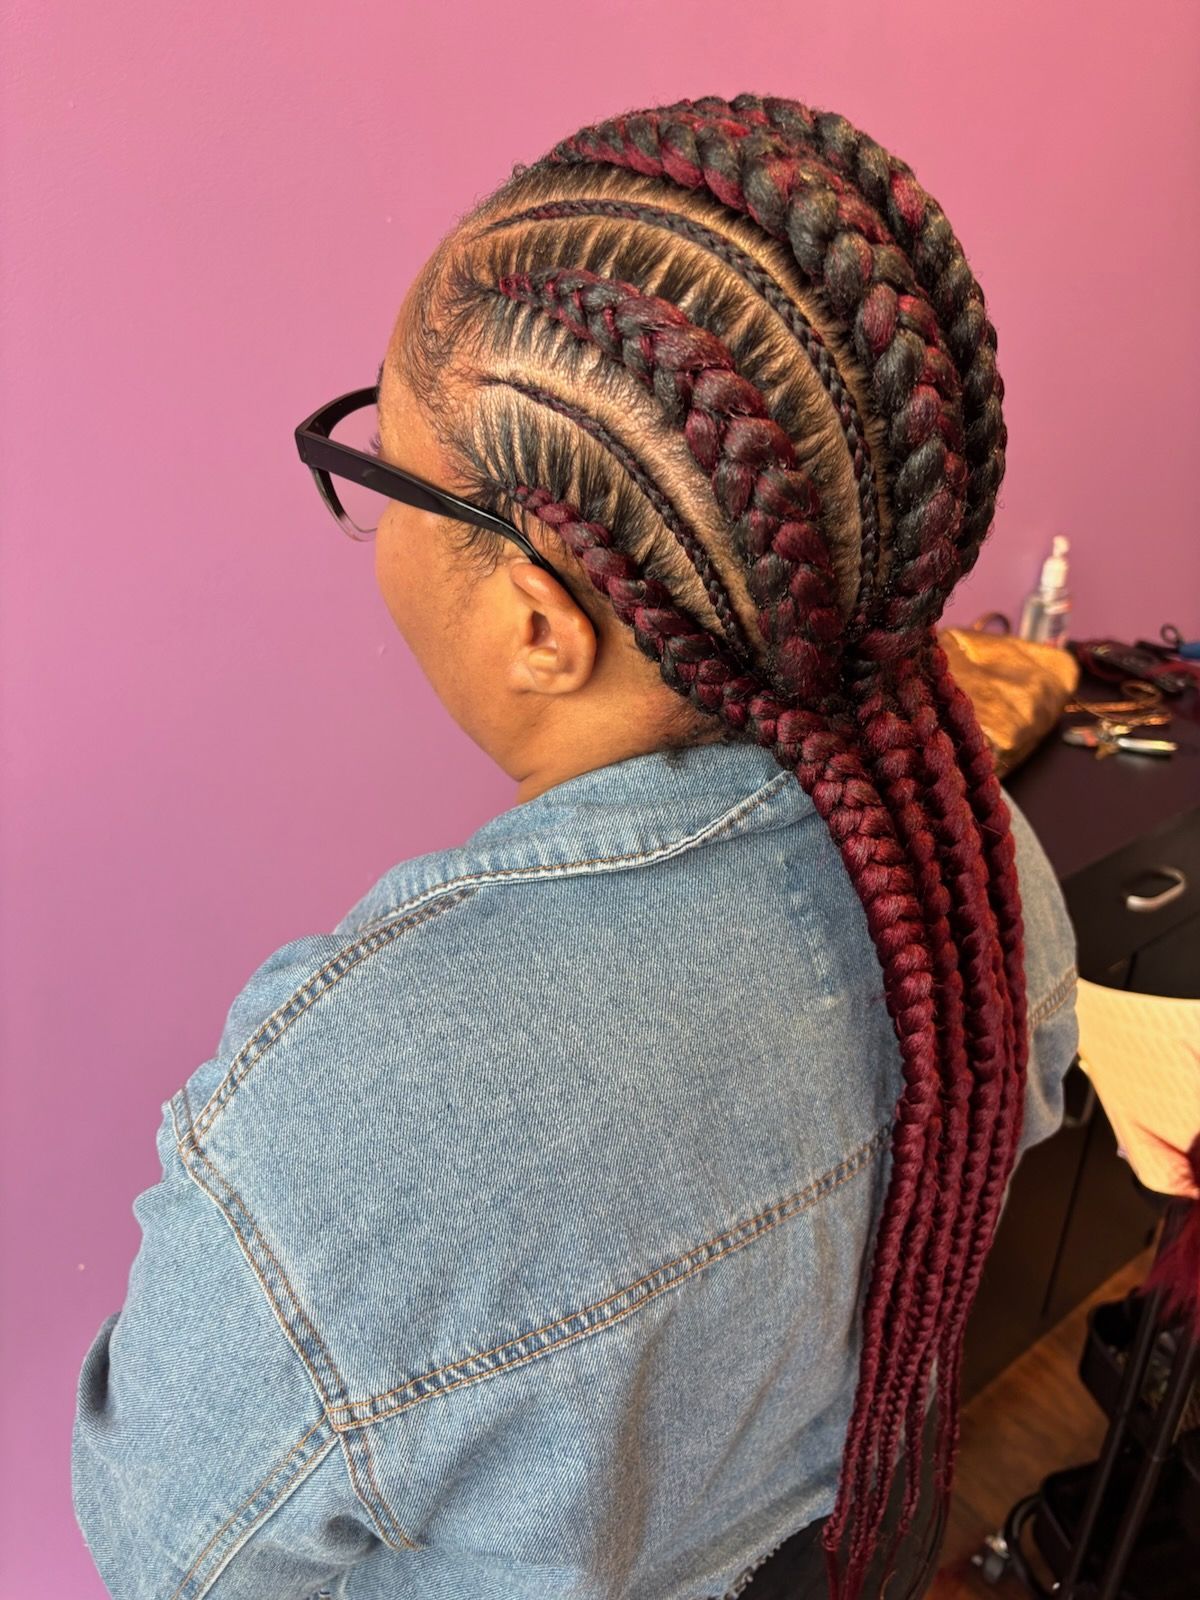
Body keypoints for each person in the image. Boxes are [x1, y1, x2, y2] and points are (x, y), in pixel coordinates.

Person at [71, 93, 1080, 1600]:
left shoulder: (339, 1137)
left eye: (384, 477)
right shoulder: (981, 873)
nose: (372, 518)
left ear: (544, 620)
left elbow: (169, 1559)